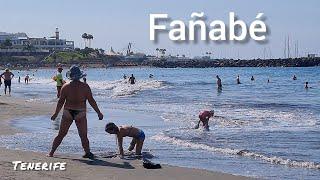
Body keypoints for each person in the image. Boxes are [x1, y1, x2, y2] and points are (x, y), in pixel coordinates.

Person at [49, 65, 104, 158]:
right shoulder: (85, 87)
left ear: (70, 75)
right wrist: (98, 112)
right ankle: (87, 153)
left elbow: (61, 101)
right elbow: (91, 101)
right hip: (80, 112)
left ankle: (51, 153)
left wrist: (56, 113)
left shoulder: (65, 87)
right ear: (79, 75)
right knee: (83, 135)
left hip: (68, 112)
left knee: (61, 134)